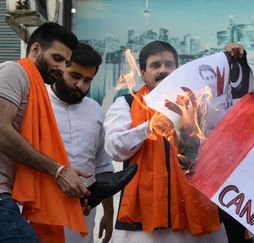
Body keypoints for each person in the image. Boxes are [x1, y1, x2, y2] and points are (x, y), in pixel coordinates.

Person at [104, 40, 239, 242]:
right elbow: (115, 149)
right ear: (142, 73)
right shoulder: (126, 103)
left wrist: (232, 61)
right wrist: (148, 127)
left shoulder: (200, 101)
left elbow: (226, 136)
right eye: (155, 65)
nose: (163, 70)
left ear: (177, 70)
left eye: (169, 65)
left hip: (196, 213)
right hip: (144, 220)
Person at [0, 22, 91, 242]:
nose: (61, 68)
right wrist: (57, 170)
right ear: (35, 49)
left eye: (66, 63)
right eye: (57, 58)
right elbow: (1, 131)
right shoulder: (15, 71)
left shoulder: (36, 88)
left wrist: (64, 179)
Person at [47, 43, 114, 243]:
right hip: (37, 212)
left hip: (83, 214)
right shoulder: (36, 101)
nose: (81, 86)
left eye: (87, 80)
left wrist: (108, 213)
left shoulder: (96, 111)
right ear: (61, 68)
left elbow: (103, 167)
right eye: (75, 77)